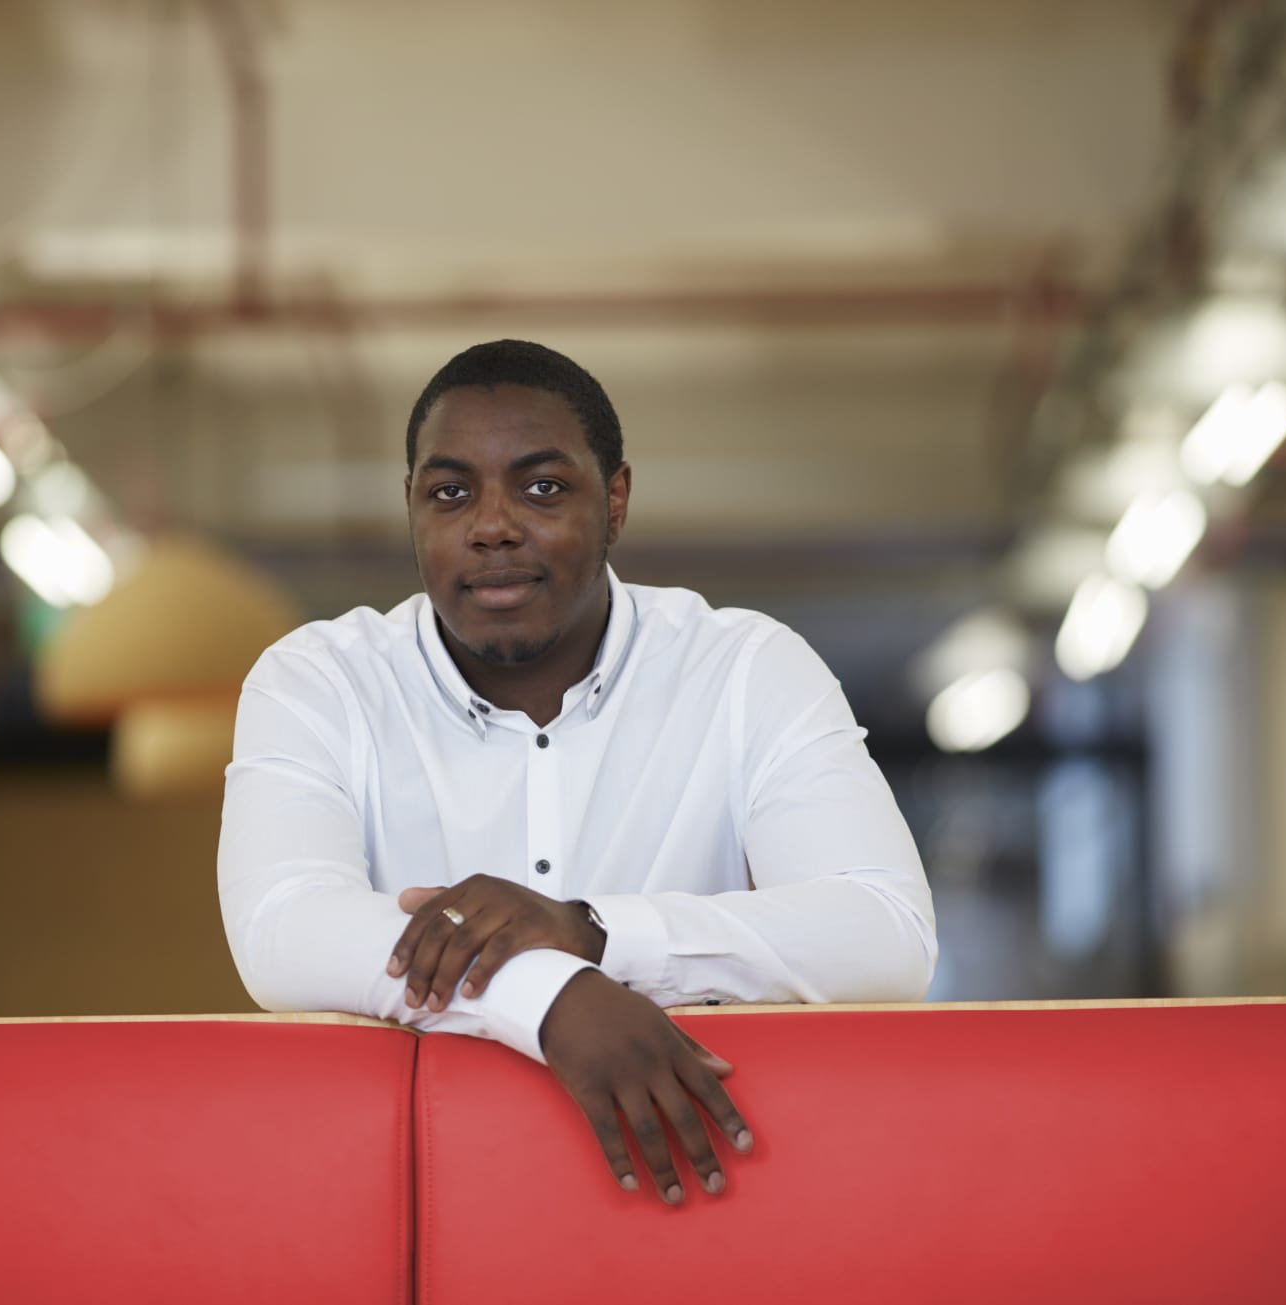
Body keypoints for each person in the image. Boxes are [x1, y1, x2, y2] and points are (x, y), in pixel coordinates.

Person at [218, 339, 936, 1207]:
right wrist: (554, 992)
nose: (491, 524)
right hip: (409, 1196)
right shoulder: (318, 680)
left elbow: (884, 932)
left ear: (617, 500)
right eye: (450, 492)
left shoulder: (746, 668)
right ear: (411, 507)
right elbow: (285, 932)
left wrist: (592, 931)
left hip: (693, 1193)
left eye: (542, 487)